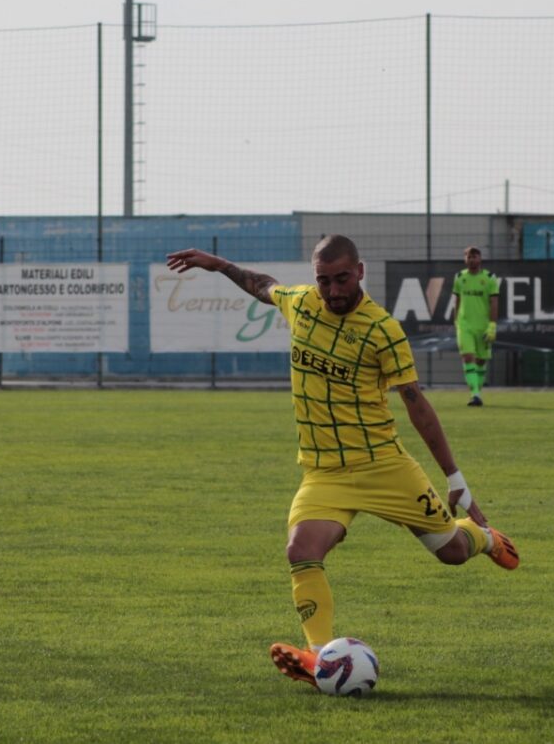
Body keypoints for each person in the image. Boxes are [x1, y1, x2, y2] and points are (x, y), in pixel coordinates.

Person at [165, 235, 519, 690]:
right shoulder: (303, 303)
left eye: (342, 279)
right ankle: (318, 659)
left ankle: (484, 539)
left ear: (361, 271)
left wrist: (456, 478)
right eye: (324, 280)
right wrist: (217, 264)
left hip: (384, 466)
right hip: (324, 472)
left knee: (450, 552)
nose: (333, 291)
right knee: (301, 550)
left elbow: (416, 404)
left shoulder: (382, 329)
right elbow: (261, 284)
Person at [452, 246, 501, 407]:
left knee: (480, 361)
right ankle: (474, 395)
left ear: (480, 259)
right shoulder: (459, 277)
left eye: (474, 256)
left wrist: (492, 325)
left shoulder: (489, 278)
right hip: (465, 325)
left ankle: (477, 392)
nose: (471, 259)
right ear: (465, 259)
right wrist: (456, 321)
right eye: (468, 257)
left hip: (483, 326)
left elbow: (494, 303)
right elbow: (457, 300)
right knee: (468, 357)